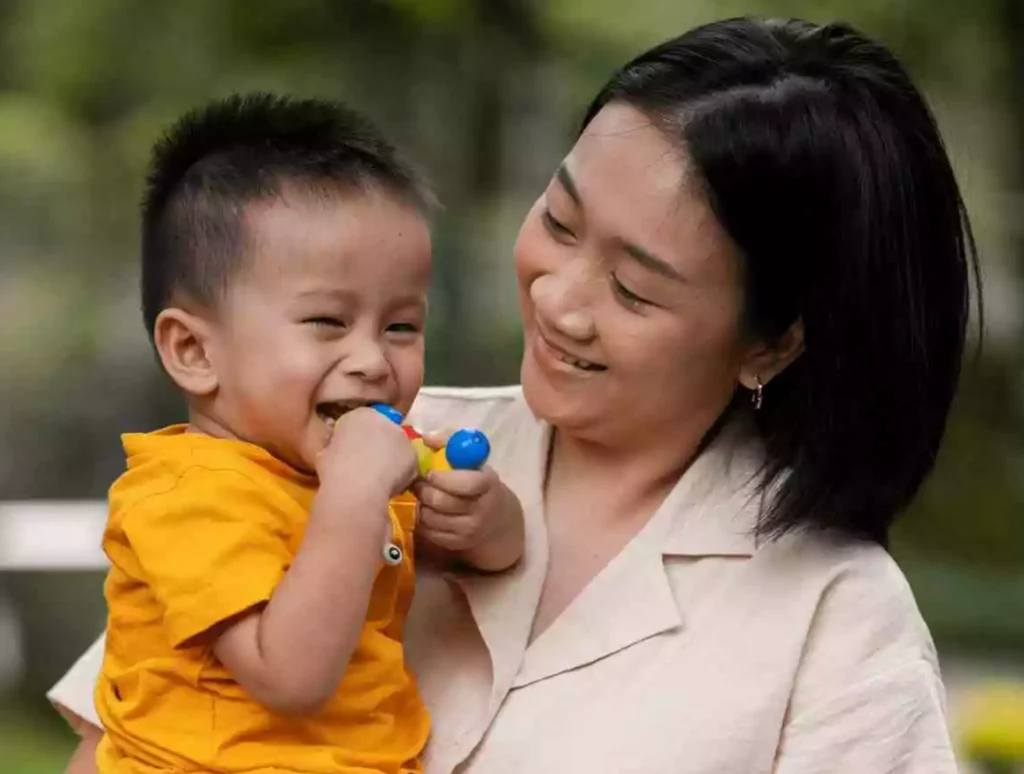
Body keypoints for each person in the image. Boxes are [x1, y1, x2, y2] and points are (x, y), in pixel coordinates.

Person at [51, 17, 978, 773]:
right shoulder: (336, 446)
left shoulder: (836, 620)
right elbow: (125, 732)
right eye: (560, 222)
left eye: (633, 289)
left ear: (771, 342)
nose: (557, 299)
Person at [77, 93, 524, 774]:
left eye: (401, 326)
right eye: (327, 322)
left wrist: (485, 522)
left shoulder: (343, 472)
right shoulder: (187, 498)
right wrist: (355, 495)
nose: (372, 360)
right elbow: (289, 676)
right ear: (195, 351)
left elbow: (486, 556)